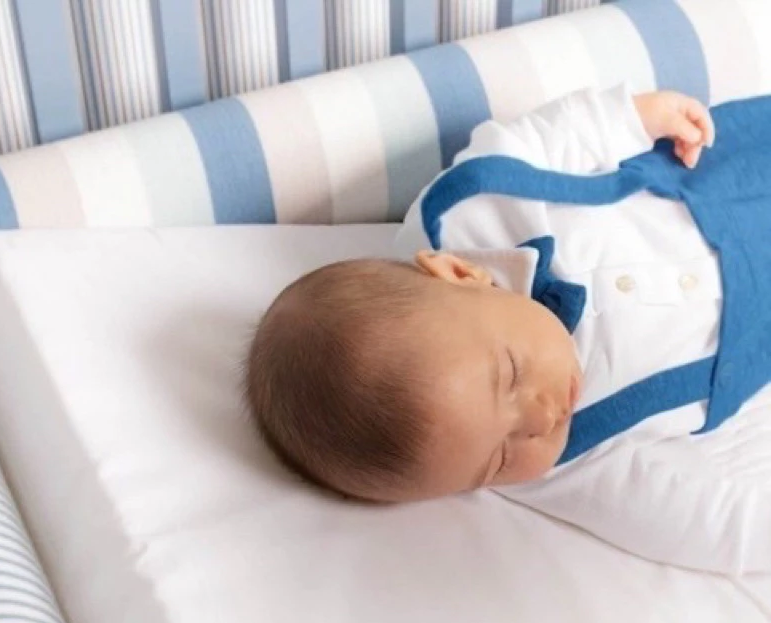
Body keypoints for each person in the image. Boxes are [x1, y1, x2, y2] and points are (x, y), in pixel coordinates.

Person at [246, 84, 771, 573]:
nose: (542, 419)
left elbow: (538, 141)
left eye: (511, 373)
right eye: (500, 460)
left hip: (708, 184)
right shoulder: (565, 461)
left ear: (461, 274)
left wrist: (626, 118)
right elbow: (693, 518)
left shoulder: (468, 214)